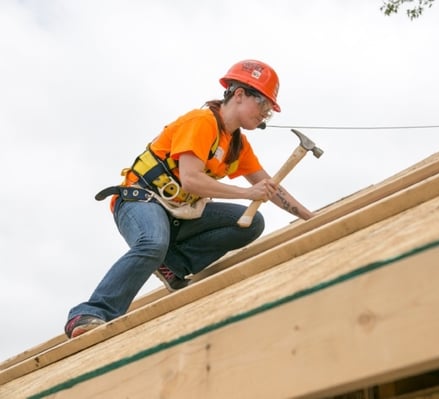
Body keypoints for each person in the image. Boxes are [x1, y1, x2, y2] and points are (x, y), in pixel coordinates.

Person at [64, 59, 315, 339]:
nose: (265, 114)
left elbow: (271, 187)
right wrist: (246, 193)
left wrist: (312, 219)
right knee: (152, 242)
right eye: (263, 106)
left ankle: (173, 264)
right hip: (140, 201)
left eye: (270, 110)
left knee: (251, 222)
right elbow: (191, 179)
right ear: (239, 94)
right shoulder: (202, 122)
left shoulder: (237, 146)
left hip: (178, 214)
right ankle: (90, 312)